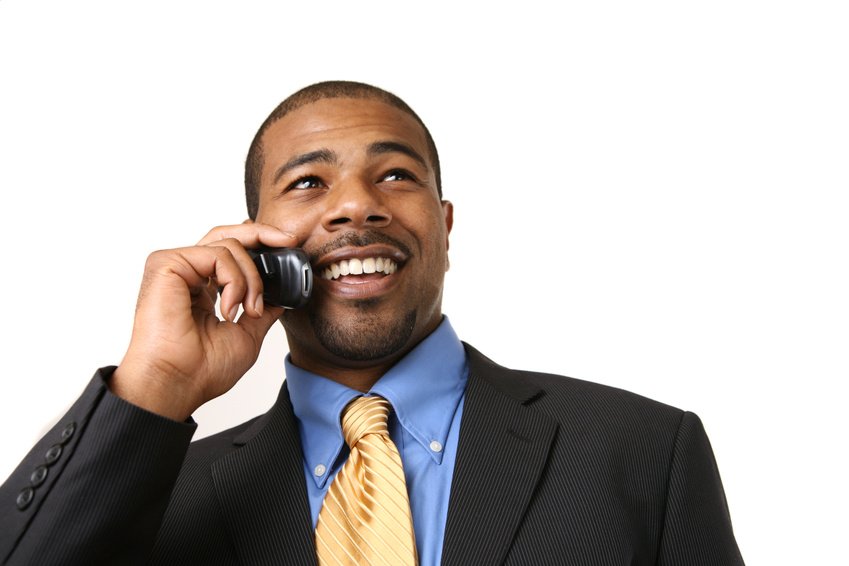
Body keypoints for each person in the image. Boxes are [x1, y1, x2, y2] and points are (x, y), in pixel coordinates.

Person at [0, 81, 744, 565]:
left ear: (444, 227)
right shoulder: (164, 494)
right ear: (252, 240)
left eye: (394, 175)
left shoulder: (642, 454)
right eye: (308, 183)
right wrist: (152, 386)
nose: (356, 205)